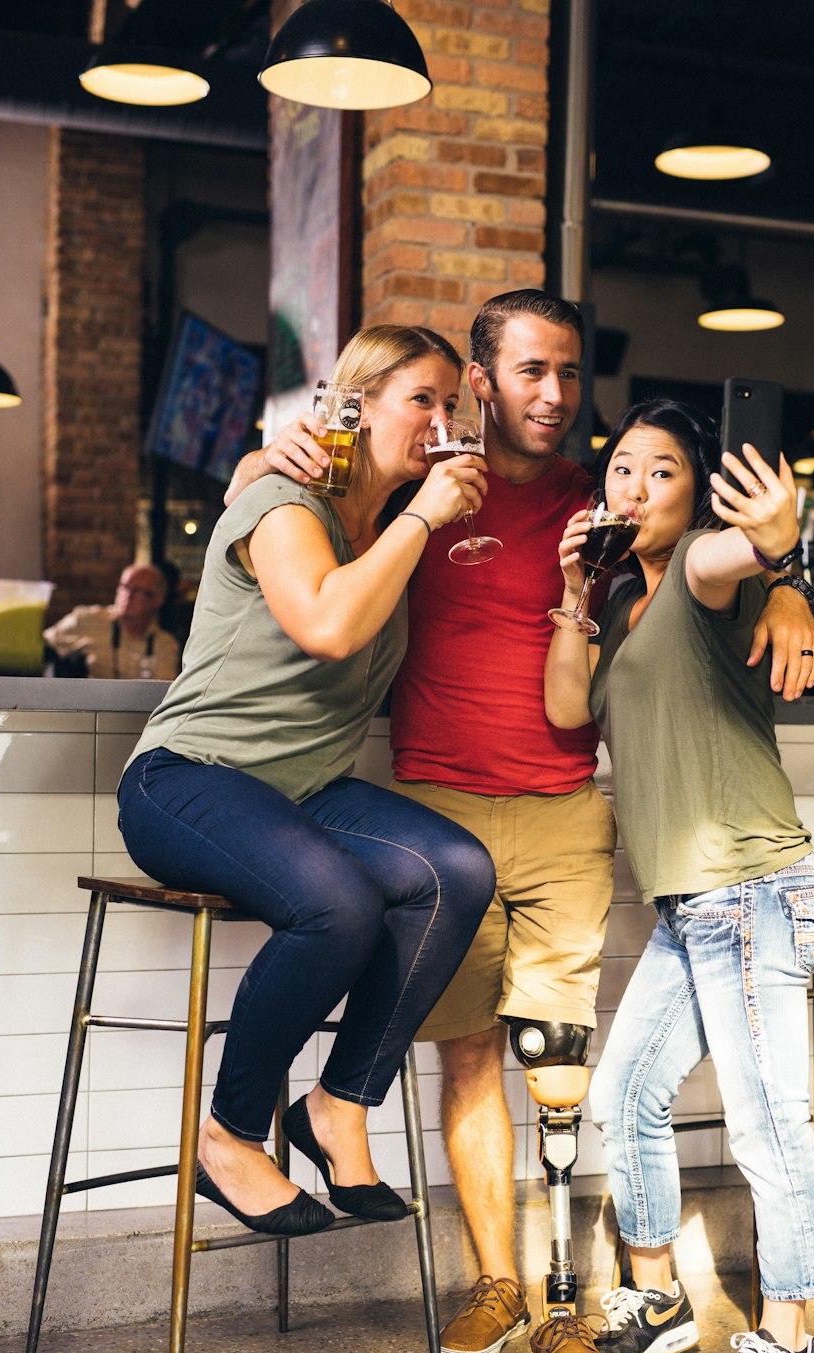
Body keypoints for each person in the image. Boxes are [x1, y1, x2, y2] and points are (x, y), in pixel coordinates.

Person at [225, 291, 814, 1353]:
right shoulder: (416, 487)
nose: (553, 395)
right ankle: (495, 1284)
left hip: (563, 817)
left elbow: (704, 563)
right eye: (529, 373)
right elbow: (292, 508)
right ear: (482, 385)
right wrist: (270, 453)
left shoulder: (605, 505)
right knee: (465, 1063)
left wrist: (788, 581)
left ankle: (565, 1303)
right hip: (436, 817)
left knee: (559, 1068)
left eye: (568, 372)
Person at [117, 325, 496, 1239]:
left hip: (303, 789)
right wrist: (417, 519)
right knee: (338, 903)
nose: (444, 422)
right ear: (356, 408)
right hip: (189, 779)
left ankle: (338, 1105)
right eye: (423, 401)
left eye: (455, 406)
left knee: (455, 872)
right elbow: (327, 625)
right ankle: (230, 1133)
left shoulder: (382, 526)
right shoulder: (285, 501)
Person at [545, 397, 814, 1353]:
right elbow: (567, 711)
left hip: (754, 893)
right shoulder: (624, 610)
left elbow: (741, 550)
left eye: (660, 470)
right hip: (686, 911)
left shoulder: (707, 578)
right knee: (621, 1100)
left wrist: (780, 551)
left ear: (694, 489)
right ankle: (660, 1299)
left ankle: (791, 1350)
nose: (632, 486)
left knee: (767, 1126)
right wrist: (577, 591)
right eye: (620, 467)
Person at [44, 562, 180, 680]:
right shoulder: (87, 619)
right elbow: (41, 645)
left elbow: (163, 694)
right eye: (125, 587)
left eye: (137, 591)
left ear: (157, 600)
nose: (127, 595)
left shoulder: (165, 644)